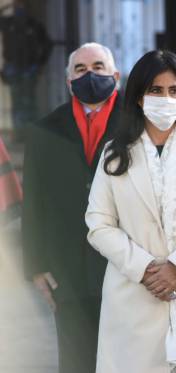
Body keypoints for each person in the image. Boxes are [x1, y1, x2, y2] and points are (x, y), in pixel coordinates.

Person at [85, 50, 176, 373]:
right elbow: (98, 223)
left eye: (173, 91)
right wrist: (145, 269)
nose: (165, 99)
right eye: (155, 90)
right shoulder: (115, 154)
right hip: (133, 293)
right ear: (139, 97)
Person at [22, 42, 121, 373]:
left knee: (126, 358)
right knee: (76, 360)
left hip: (124, 263)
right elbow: (34, 201)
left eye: (98, 67)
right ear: (68, 81)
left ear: (115, 76)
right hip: (67, 268)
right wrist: (35, 265)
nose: (89, 75)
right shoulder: (44, 130)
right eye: (80, 69)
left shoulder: (139, 126)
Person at [0, 0, 52, 141]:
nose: (19, 9)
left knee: (29, 103)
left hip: (29, 70)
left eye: (21, 6)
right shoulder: (7, 23)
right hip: (13, 70)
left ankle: (31, 135)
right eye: (17, 6)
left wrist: (39, 64)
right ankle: (19, 134)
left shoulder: (34, 25)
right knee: (17, 102)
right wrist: (8, 6)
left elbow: (48, 45)